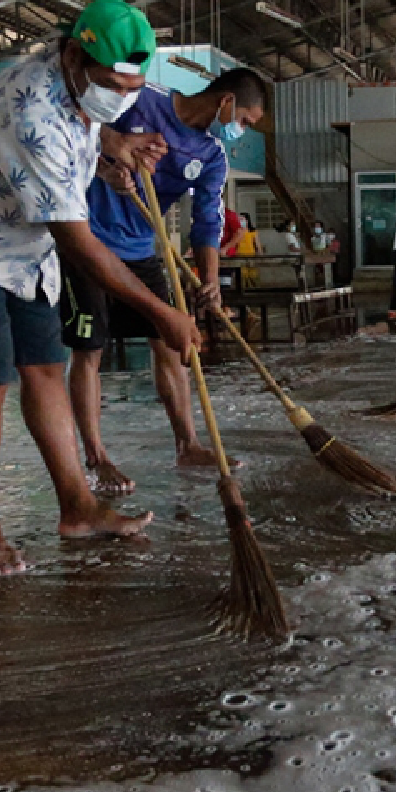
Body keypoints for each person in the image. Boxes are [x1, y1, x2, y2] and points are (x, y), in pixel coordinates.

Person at [0, 0, 201, 576]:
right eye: (112, 83)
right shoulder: (30, 111)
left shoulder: (72, 85)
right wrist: (161, 312)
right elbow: (79, 242)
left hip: (27, 252)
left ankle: (78, 507)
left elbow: (81, 139)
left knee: (45, 368)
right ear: (74, 56)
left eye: (133, 85)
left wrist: (111, 152)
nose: (122, 96)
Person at [61, 68, 269, 486]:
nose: (241, 130)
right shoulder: (143, 101)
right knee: (90, 349)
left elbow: (206, 221)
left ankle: (188, 445)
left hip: (141, 250)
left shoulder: (211, 155)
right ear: (226, 101)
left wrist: (209, 279)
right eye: (244, 120)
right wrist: (107, 162)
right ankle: (97, 458)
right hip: (88, 239)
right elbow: (79, 122)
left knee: (173, 345)